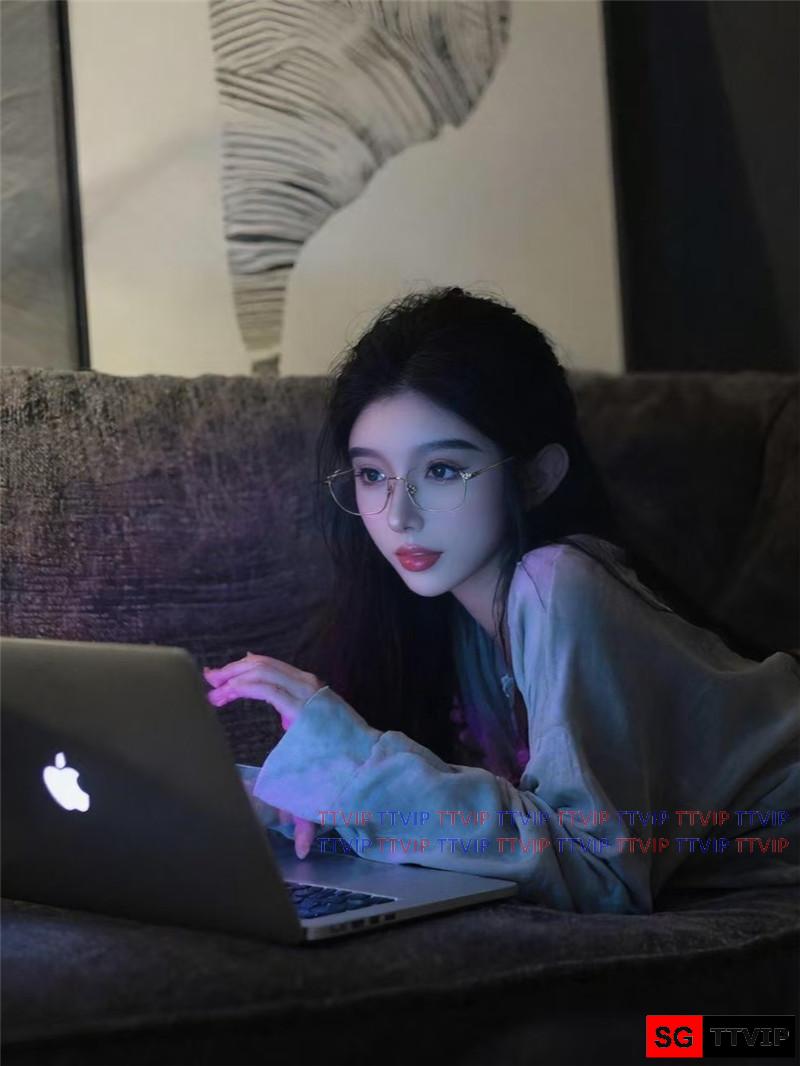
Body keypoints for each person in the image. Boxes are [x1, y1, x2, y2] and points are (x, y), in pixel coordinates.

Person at [203, 286, 800, 914]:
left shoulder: (558, 582)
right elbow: (486, 822)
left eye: (442, 471)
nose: (399, 516)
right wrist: (303, 796)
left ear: (536, 476)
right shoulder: (435, 618)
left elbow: (599, 873)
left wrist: (351, 769)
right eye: (372, 474)